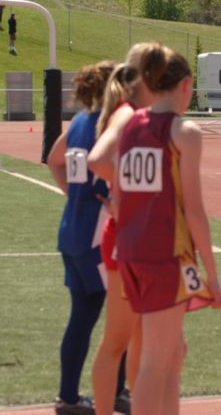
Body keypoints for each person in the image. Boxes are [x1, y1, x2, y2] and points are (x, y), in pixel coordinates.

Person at [113, 42, 221, 415]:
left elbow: (118, 188)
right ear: (186, 85)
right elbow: (194, 211)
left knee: (173, 354)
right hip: (164, 255)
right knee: (156, 362)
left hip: (133, 252)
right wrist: (213, 273)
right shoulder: (184, 132)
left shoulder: (129, 124)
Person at [46, 61, 125, 415]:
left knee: (82, 314)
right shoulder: (108, 125)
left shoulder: (79, 121)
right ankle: (115, 391)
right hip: (97, 233)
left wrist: (72, 194)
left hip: (71, 228)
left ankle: (70, 395)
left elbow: (53, 159)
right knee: (121, 316)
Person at [88, 45, 153, 415]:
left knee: (138, 336)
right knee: (117, 339)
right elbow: (98, 160)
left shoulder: (132, 115)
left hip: (135, 236)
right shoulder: (126, 115)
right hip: (125, 238)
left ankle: (136, 403)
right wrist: (131, 190)